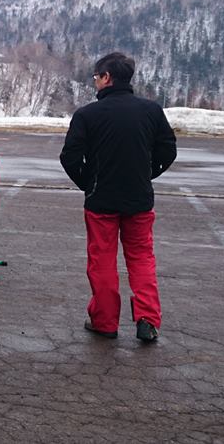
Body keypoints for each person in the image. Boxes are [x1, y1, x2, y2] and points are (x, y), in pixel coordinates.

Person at [59, 52, 177, 342]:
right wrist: (148, 173)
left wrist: (88, 183)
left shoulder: (87, 115)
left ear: (107, 77)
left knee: (102, 261)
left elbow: (70, 157)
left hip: (101, 200)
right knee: (141, 258)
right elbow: (168, 150)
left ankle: (105, 321)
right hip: (139, 199)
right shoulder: (151, 110)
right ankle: (147, 319)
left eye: (96, 77)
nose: (95, 82)